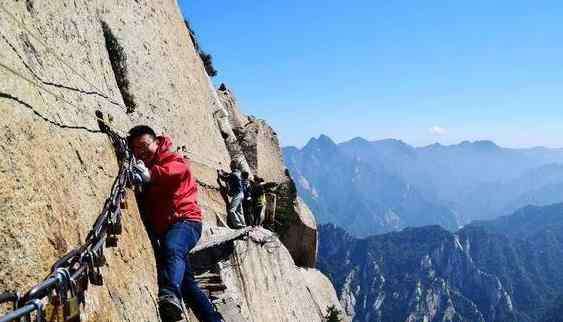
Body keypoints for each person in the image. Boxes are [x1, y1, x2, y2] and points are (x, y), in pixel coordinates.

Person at [128, 125, 222, 322]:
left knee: (173, 249)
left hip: (186, 221)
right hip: (168, 228)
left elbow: (175, 172)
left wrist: (150, 175)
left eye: (145, 145)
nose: (142, 151)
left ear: (156, 142)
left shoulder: (172, 159)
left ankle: (170, 293)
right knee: (188, 284)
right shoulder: (147, 165)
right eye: (137, 148)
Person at [217, 161, 246, 228]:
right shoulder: (238, 173)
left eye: (230, 165)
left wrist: (219, 174)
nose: (230, 166)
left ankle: (238, 225)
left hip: (237, 194)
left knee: (232, 210)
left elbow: (225, 178)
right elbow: (229, 175)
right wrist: (224, 172)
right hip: (241, 194)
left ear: (232, 166)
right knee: (239, 211)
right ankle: (243, 224)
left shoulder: (233, 174)